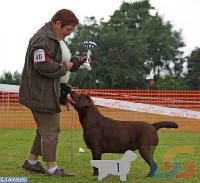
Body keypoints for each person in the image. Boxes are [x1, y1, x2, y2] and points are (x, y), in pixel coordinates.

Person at [19, 9, 89, 177]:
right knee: (51, 129)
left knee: (44, 130)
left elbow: (59, 62)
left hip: (47, 91)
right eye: (68, 30)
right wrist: (65, 66)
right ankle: (52, 168)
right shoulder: (42, 38)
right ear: (58, 24)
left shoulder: (53, 38)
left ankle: (32, 162)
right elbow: (42, 65)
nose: (69, 34)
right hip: (40, 94)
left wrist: (76, 62)